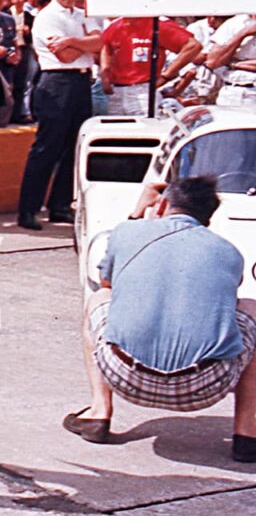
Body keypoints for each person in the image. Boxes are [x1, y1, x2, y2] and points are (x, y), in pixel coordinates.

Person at [67, 176, 256, 464]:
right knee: (250, 309)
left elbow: (107, 282)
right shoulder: (228, 252)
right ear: (208, 217)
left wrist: (138, 212)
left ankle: (99, 412)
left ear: (164, 202)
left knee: (98, 299)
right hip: (205, 386)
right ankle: (247, 433)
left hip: (125, 376)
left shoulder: (128, 231)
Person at [17, 0, 101, 231]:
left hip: (81, 81)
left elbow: (101, 43)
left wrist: (74, 41)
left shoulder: (84, 14)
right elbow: (63, 56)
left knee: (72, 149)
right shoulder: (47, 17)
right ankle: (28, 209)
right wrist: (85, 42)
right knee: (47, 148)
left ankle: (60, 205)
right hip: (56, 83)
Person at [99, 14, 201, 117]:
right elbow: (106, 47)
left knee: (145, 129)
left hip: (143, 90)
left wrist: (167, 75)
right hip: (116, 91)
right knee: (116, 130)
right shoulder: (116, 25)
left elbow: (193, 46)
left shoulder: (158, 23)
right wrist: (105, 75)